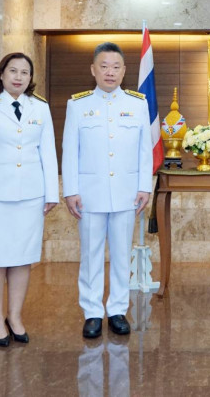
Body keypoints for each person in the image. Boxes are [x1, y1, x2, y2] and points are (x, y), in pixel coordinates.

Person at [0, 52, 58, 346]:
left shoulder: (40, 108)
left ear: (31, 79)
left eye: (25, 73)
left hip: (30, 196)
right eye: (13, 71)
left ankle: (15, 316)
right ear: (1, 74)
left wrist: (51, 192)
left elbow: (48, 153)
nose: (19, 77)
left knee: (21, 258)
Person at [62, 42, 152, 337]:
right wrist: (70, 190)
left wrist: (144, 187)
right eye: (104, 66)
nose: (110, 72)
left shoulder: (137, 104)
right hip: (89, 194)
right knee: (91, 254)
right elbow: (69, 151)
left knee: (122, 253)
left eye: (115, 67)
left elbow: (143, 151)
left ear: (124, 71)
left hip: (127, 193)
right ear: (93, 70)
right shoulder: (78, 104)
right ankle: (91, 312)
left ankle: (117, 309)